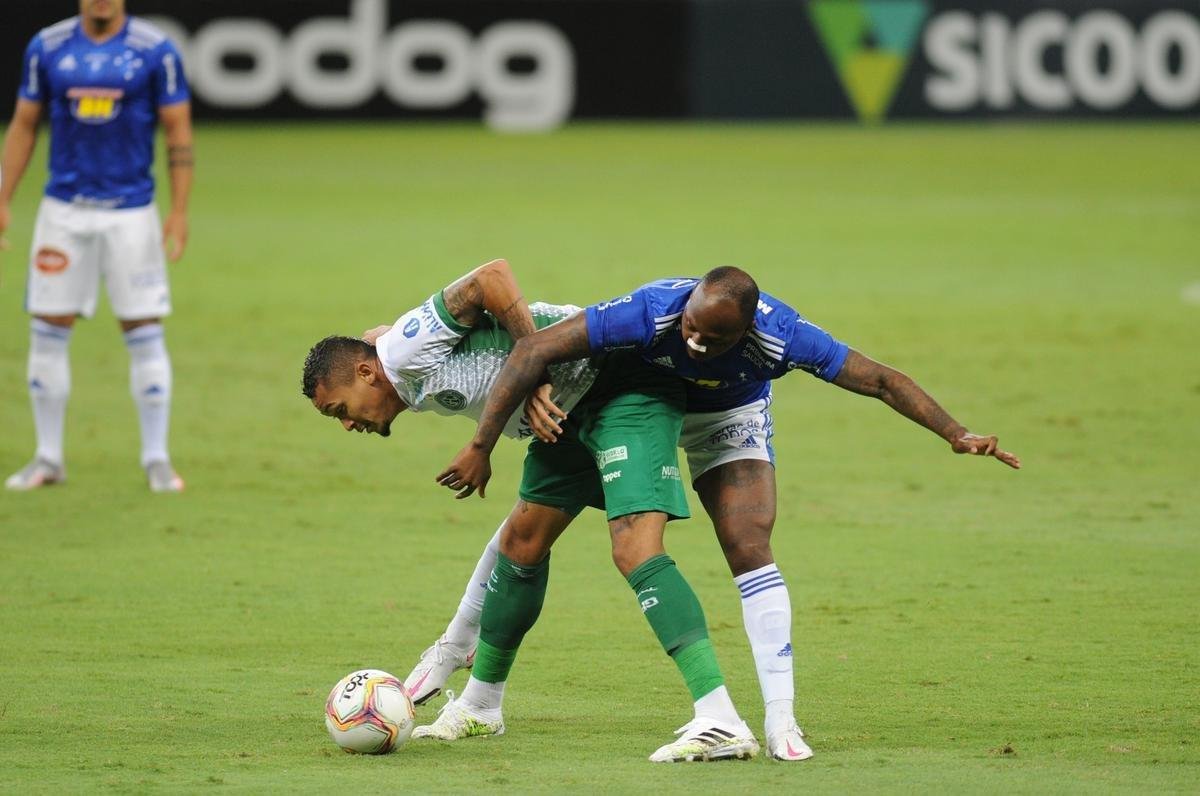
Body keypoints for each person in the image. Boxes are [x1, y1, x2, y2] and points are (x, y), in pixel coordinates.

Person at [437, 266, 1021, 762]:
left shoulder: (783, 335)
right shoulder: (654, 309)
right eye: (691, 327)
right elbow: (536, 345)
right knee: (541, 533)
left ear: (745, 330)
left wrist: (954, 432)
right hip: (640, 405)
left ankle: (781, 722)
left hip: (728, 417)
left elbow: (880, 380)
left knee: (747, 544)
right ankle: (481, 698)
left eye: (712, 339)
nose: (693, 343)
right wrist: (483, 445)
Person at [302, 259, 760, 762]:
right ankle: (481, 705)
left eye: (339, 409)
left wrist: (533, 368)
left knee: (634, 546)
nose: (347, 425)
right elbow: (393, 335)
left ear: (366, 372)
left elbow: (491, 277)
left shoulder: (403, 352)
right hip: (567, 413)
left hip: (624, 385)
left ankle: (721, 719)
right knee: (521, 542)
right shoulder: (394, 358)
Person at [1, 0, 193, 492]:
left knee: (143, 328)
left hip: (131, 212)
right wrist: (3, 196)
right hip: (63, 212)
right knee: (47, 327)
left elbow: (177, 130)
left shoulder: (155, 51)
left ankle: (156, 457)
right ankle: (47, 457)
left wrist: (178, 210)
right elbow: (24, 123)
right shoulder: (48, 46)